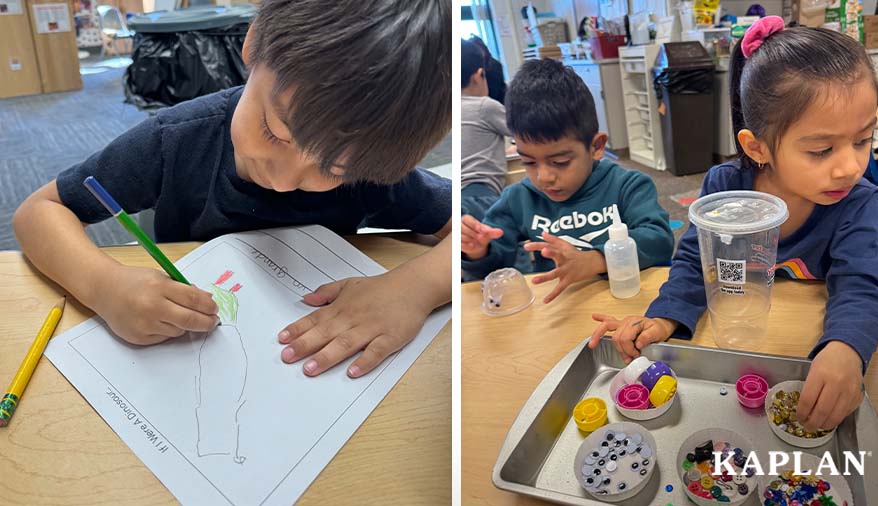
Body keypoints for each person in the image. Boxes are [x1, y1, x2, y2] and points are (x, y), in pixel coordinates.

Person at [13, 0, 451, 379]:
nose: (283, 178)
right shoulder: (176, 139)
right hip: (175, 353)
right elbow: (39, 211)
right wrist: (104, 285)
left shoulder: (369, 164)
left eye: (332, 169)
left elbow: (471, 224)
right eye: (275, 130)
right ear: (253, 43)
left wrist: (414, 288)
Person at [590, 17, 878, 432]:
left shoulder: (857, 204)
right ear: (757, 147)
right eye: (822, 150)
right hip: (733, 334)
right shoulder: (725, 189)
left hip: (796, 340)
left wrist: (846, 348)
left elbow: (862, 284)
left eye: (863, 140)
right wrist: (665, 318)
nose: (851, 167)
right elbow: (695, 262)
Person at [461, 59, 673, 303]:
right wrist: (479, 253)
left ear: (596, 146)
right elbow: (495, 272)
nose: (544, 177)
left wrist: (595, 260)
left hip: (626, 302)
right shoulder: (518, 199)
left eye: (560, 162)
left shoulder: (628, 186)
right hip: (560, 309)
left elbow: (660, 240)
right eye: (529, 162)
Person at [461, 38, 510, 222]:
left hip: (452, 196)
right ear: (479, 75)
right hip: (479, 195)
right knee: (504, 243)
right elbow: (526, 131)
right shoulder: (485, 106)